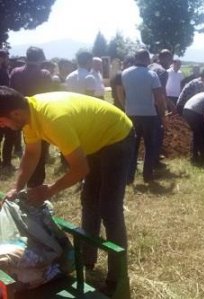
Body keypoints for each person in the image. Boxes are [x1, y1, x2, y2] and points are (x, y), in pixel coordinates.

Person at [0, 87, 135, 293]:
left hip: (116, 136)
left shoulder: (53, 119)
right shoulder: (29, 116)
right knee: (89, 203)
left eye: (2, 121)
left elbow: (80, 169)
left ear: (15, 114)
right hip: (94, 141)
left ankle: (117, 278)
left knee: (109, 209)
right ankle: (87, 261)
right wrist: (16, 187)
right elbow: (32, 154)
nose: (3, 126)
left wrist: (50, 190)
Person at [121, 49, 166, 183]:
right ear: (147, 59)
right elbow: (159, 97)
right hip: (149, 115)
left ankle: (129, 177)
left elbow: (122, 93)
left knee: (132, 146)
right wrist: (163, 115)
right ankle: (148, 175)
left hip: (131, 114)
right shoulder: (151, 75)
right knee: (150, 146)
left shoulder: (125, 73)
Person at [9, 46, 53, 185]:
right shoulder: (44, 73)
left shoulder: (15, 72)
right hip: (40, 114)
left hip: (20, 114)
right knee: (40, 151)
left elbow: (11, 93)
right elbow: (49, 95)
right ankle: (36, 183)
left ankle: (27, 178)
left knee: (29, 146)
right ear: (40, 58)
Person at [183, 92, 204, 164]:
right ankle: (203, 155)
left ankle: (195, 155)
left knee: (197, 133)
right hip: (194, 112)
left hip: (186, 109)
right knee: (203, 133)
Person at [0, 49, 15, 170]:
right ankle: (6, 162)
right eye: (5, 57)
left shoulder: (5, 70)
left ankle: (5, 161)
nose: (7, 60)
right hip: (4, 107)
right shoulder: (3, 71)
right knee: (9, 136)